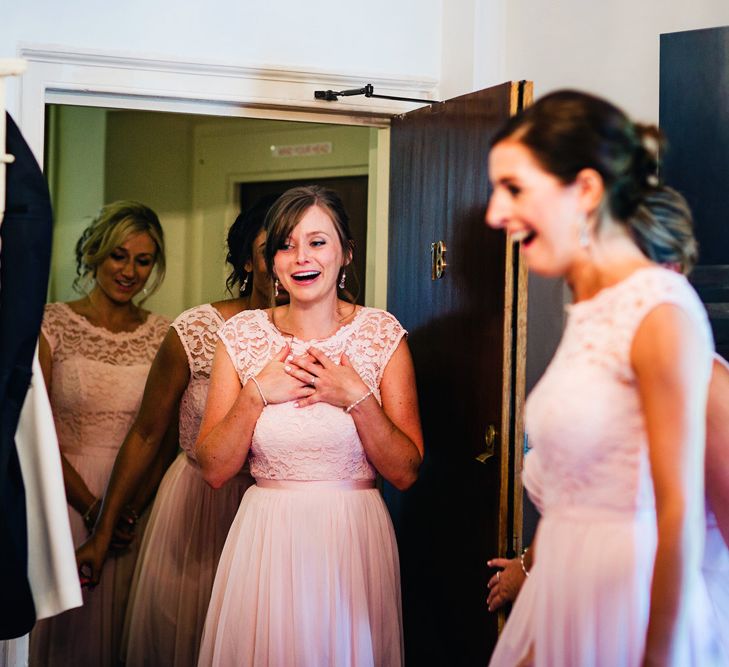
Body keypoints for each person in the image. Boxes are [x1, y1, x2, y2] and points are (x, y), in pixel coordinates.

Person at [484, 90, 721, 666]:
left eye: (514, 189)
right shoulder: (593, 308)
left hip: (624, 605)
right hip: (562, 593)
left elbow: (680, 514)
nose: (495, 213)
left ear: (585, 190)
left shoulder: (660, 311)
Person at [194, 185, 423, 667]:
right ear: (271, 262)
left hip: (351, 539)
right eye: (286, 244)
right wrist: (256, 393)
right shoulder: (241, 337)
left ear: (346, 254)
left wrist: (357, 398)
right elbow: (213, 469)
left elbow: (404, 472)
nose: (301, 256)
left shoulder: (381, 335)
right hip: (267, 539)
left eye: (318, 242)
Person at [74, 194, 279, 666]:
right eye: (271, 249)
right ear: (247, 260)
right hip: (196, 511)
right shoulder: (195, 330)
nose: (285, 261)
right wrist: (104, 529)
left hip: (275, 515)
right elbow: (148, 435)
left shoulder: (323, 333)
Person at [29, 201, 170, 666]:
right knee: (69, 631)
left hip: (135, 503)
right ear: (94, 254)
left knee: (127, 632)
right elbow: (38, 430)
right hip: (65, 495)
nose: (129, 271)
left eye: (143, 260)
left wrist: (124, 510)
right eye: (118, 255)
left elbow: (162, 433)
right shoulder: (51, 323)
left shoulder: (162, 335)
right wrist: (92, 506)